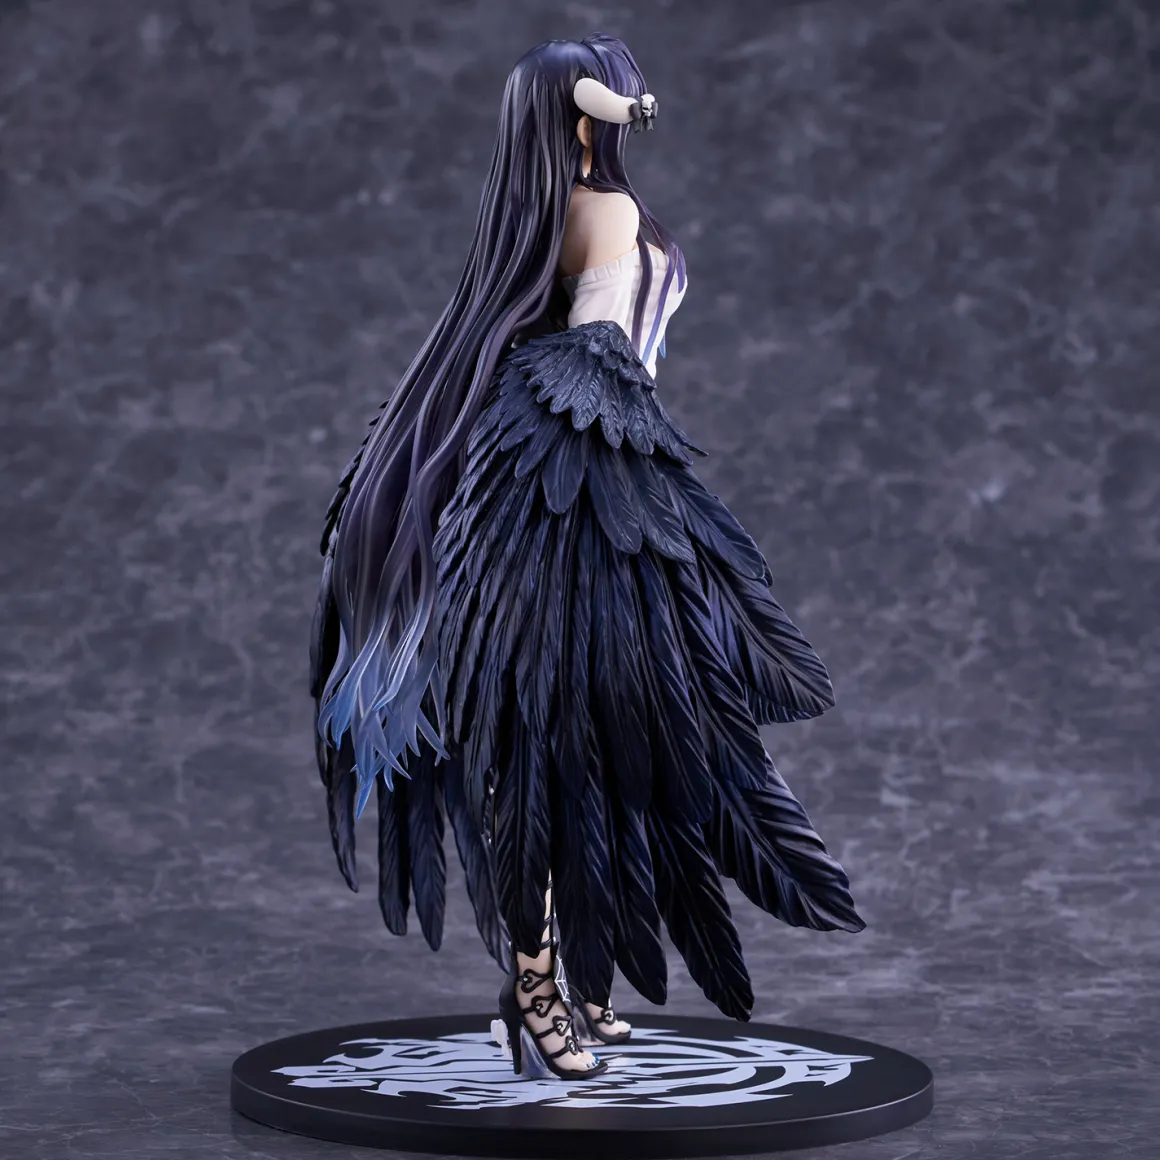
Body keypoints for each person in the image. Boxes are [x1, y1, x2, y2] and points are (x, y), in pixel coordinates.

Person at [309, 34, 864, 1081]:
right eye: (603, 99)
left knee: (597, 745)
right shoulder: (595, 211)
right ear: (574, 117)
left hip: (604, 498)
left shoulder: (569, 212)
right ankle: (535, 990)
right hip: (574, 510)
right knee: (551, 749)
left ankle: (569, 977)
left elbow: (587, 369)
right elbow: (590, 370)